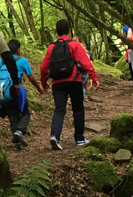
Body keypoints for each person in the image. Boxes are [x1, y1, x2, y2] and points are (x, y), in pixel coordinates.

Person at [40, 19, 99, 150]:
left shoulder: (51, 47)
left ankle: (55, 136)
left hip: (57, 83)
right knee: (78, 108)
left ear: (57, 32)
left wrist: (44, 82)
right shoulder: (74, 45)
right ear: (69, 31)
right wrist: (94, 78)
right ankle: (79, 138)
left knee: (59, 110)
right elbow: (85, 63)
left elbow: (44, 67)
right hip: (74, 81)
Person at [0, 39, 45, 150]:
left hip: (4, 92)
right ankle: (20, 131)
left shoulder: (1, 62)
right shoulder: (22, 61)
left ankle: (17, 144)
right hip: (17, 90)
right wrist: (39, 89)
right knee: (25, 112)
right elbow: (31, 78)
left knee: (12, 115)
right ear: (18, 49)